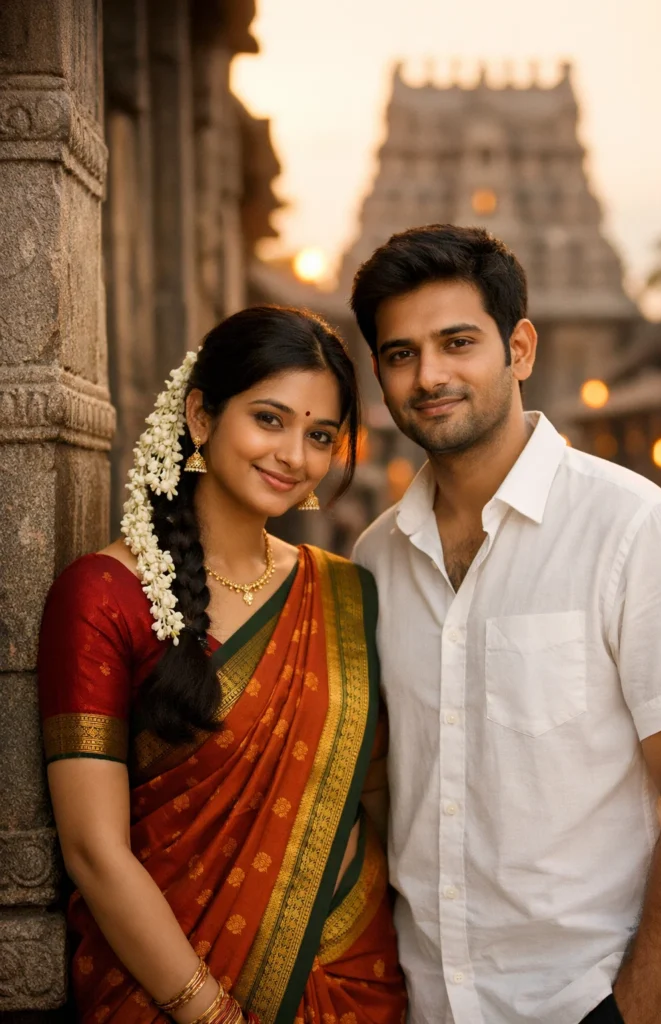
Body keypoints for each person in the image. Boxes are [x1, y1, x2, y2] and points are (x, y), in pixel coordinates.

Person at [350, 225, 661, 1024]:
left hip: (589, 999)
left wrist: (631, 1010)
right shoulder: (371, 561)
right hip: (423, 1002)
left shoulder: (633, 529)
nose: (429, 375)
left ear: (520, 348)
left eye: (457, 342)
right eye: (400, 354)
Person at [38, 306, 407, 1024]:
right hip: (170, 994)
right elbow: (93, 849)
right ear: (201, 416)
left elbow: (378, 798)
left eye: (319, 435)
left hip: (354, 975)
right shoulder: (103, 597)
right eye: (268, 419)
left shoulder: (344, 591)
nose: (293, 455)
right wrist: (210, 1013)